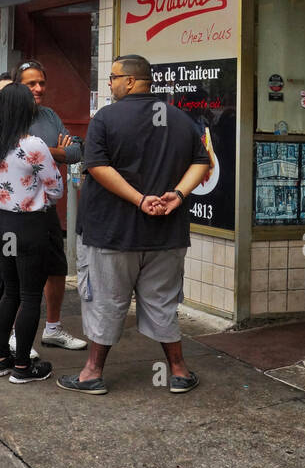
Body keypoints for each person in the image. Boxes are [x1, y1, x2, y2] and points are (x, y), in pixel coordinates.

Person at [58, 54, 210, 396]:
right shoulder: (180, 118)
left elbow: (97, 166)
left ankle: (92, 373)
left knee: (105, 301)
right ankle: (179, 372)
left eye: (112, 78)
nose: (109, 84)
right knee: (163, 302)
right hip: (166, 235)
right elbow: (203, 161)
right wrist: (177, 195)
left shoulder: (106, 119)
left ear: (129, 81)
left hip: (110, 233)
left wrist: (140, 200)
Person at [0, 81, 62, 382]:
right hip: (28, 224)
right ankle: (22, 368)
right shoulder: (33, 145)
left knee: (11, 291)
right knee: (31, 295)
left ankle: (0, 358)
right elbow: (55, 188)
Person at [16, 61, 86, 351]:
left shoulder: (49, 115)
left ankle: (53, 329)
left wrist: (47, 151)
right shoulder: (9, 118)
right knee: (21, 276)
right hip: (18, 212)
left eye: (42, 83)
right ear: (18, 86)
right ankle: (16, 336)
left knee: (57, 268)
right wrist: (54, 151)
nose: (38, 88)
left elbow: (76, 149)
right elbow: (19, 157)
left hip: (47, 208)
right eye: (31, 83)